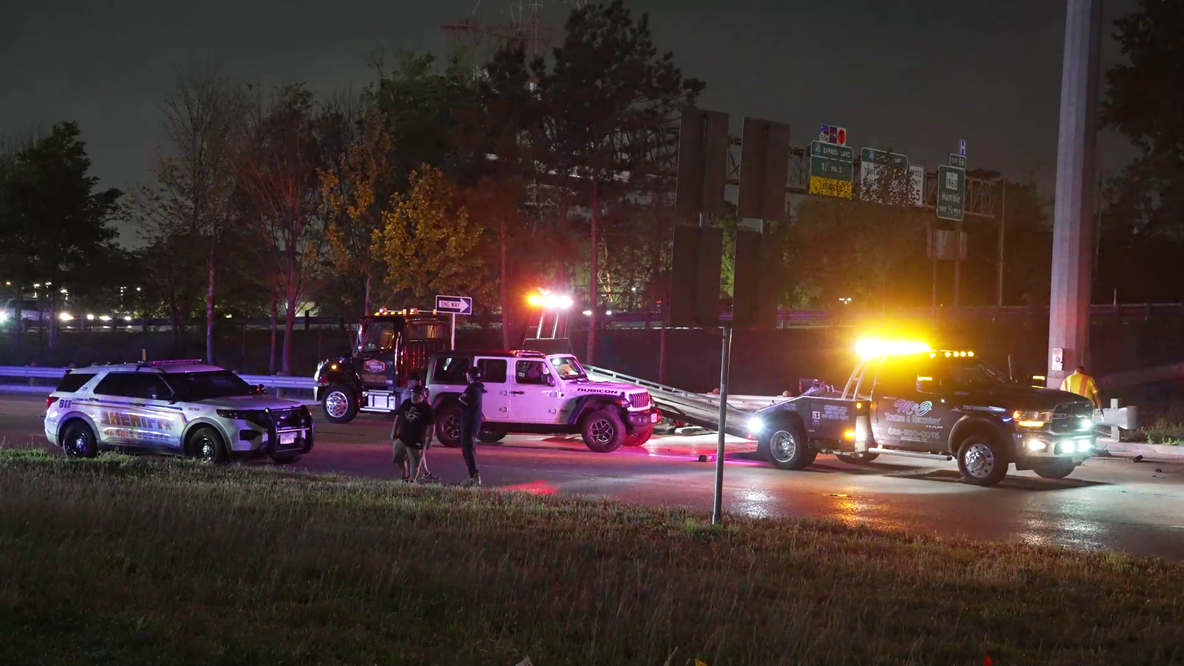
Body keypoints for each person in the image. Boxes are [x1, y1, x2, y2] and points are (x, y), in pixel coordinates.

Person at [390, 385, 436, 483]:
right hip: (402, 438)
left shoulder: (426, 408)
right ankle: (404, 472)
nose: (413, 397)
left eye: (416, 395)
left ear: (422, 396)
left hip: (416, 441)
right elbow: (398, 417)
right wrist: (394, 431)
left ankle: (411, 482)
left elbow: (432, 425)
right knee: (397, 458)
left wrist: (430, 439)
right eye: (412, 394)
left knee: (415, 464)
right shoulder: (406, 403)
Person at [457, 366, 485, 487]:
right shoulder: (478, 388)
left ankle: (474, 477)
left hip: (469, 423)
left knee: (467, 450)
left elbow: (460, 403)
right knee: (469, 449)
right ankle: (472, 476)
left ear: (469, 375)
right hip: (473, 423)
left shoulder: (472, 389)